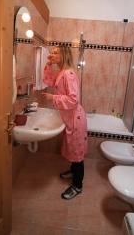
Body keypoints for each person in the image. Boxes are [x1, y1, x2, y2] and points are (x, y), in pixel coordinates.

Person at [42, 46, 88, 200]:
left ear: (64, 55)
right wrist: (48, 64)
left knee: (77, 153)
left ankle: (77, 185)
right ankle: (73, 171)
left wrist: (51, 98)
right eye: (52, 52)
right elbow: (48, 81)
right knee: (72, 148)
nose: (52, 54)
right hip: (69, 117)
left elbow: (74, 100)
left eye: (56, 53)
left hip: (75, 118)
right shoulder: (61, 72)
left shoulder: (69, 74)